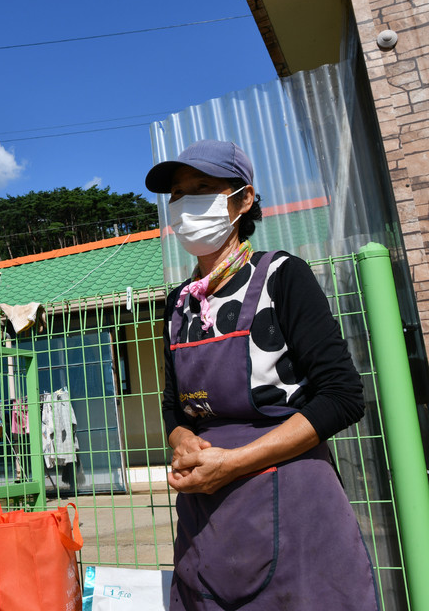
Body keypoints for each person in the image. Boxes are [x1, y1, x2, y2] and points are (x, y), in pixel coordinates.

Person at [144, 140, 378, 610]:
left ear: (244, 199)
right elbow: (174, 404)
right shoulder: (178, 303)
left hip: (291, 498)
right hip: (207, 514)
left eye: (202, 188)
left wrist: (234, 462)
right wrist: (182, 440)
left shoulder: (282, 276)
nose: (186, 203)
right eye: (178, 193)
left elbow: (342, 396)